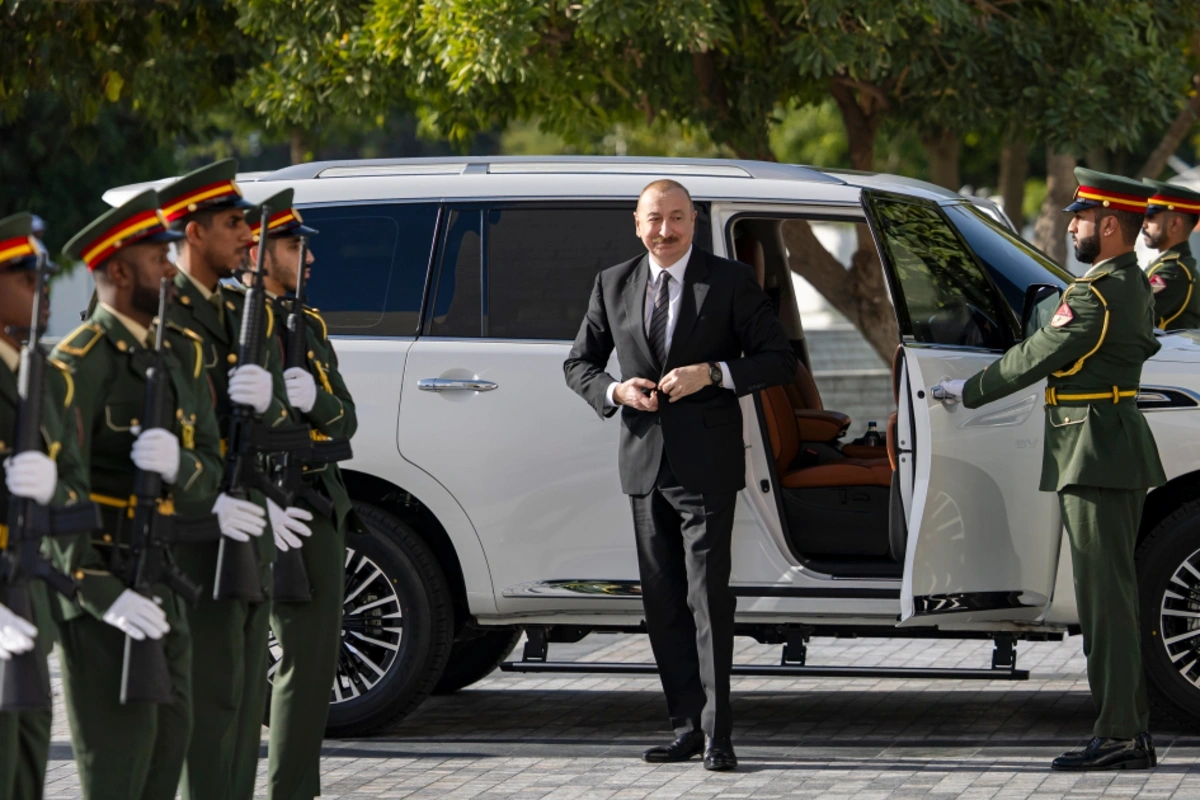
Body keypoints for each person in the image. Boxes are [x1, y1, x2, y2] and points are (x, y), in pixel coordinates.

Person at [564, 179, 797, 771]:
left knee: (706, 601)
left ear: (694, 221)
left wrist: (713, 374)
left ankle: (720, 736)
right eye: (654, 219)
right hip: (643, 463)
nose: (665, 231)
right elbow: (579, 363)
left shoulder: (730, 281)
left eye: (676, 219)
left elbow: (778, 360)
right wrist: (616, 390)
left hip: (707, 467)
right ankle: (686, 727)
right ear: (635, 223)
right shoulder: (612, 281)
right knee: (663, 603)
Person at [936, 167, 1165, 771]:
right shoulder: (1131, 284)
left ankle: (1120, 734)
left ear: (1111, 225)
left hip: (1093, 452)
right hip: (1105, 446)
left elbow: (1038, 355)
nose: (1075, 229)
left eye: (1083, 220)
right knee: (1108, 594)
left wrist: (968, 389)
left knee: (1104, 600)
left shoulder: (1095, 295)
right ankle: (1126, 730)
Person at [50, 190, 265, 798]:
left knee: (170, 749)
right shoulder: (77, 365)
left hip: (164, 583)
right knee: (118, 766)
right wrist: (98, 592)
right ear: (117, 271)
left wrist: (181, 471)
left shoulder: (179, 354)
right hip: (105, 588)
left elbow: (206, 464)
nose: (170, 268)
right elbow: (58, 494)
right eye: (155, 259)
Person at [158, 159, 312, 800]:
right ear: (192, 233)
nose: (247, 237)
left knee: (245, 697)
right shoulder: (167, 314)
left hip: (247, 516)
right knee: (209, 702)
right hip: (194, 528)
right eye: (231, 225)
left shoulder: (241, 310)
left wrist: (277, 402)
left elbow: (267, 415)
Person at [244, 190, 357, 800]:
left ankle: (293, 791)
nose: (308, 257)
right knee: (236, 665)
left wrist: (318, 403)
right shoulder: (232, 321)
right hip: (254, 500)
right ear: (258, 254)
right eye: (294, 246)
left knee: (310, 664)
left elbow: (347, 422)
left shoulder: (305, 323)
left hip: (314, 497)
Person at [0, 211, 88, 800]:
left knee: (28, 756)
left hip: (32, 595)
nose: (44, 294)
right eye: (29, 280)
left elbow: (74, 485)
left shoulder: (49, 377)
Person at [1141, 178, 1200, 330]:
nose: (1143, 224)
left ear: (1175, 224)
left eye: (1151, 217)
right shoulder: (1167, 265)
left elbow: (1132, 317)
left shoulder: (1173, 270)